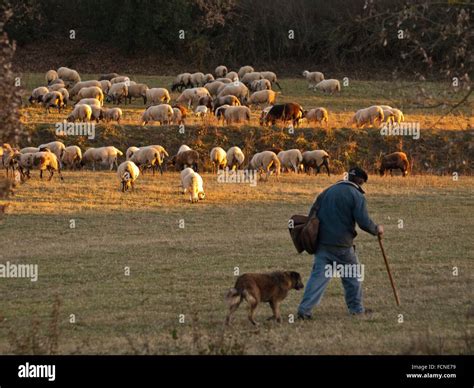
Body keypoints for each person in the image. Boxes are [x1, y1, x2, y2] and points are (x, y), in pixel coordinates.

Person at [297, 167, 383, 319]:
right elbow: (363, 222)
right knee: (352, 277)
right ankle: (356, 309)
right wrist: (376, 229)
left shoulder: (328, 191)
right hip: (342, 245)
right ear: (361, 181)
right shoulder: (356, 195)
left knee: (317, 278)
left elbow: (312, 213)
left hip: (322, 242)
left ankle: (304, 311)